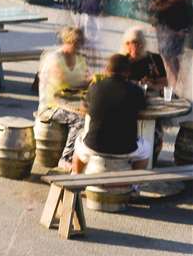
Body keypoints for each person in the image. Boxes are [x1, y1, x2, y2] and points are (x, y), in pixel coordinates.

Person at [73, 54, 150, 174]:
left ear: (106, 70)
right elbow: (144, 108)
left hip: (93, 146)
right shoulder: (136, 91)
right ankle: (134, 184)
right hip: (126, 148)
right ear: (128, 72)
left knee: (78, 144)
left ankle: (75, 178)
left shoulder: (95, 87)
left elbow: (84, 106)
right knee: (146, 149)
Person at [37, 25, 93, 163]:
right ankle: (67, 158)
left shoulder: (80, 59)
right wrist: (89, 80)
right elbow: (64, 81)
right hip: (51, 105)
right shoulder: (54, 58)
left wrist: (93, 81)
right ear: (67, 41)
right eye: (75, 43)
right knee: (80, 120)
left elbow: (85, 81)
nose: (77, 46)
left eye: (79, 43)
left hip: (73, 102)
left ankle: (86, 157)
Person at [120, 25, 168, 91]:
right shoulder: (121, 61)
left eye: (135, 42)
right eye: (128, 43)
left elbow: (164, 84)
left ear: (142, 43)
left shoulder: (154, 59)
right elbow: (114, 83)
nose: (132, 46)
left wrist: (152, 85)